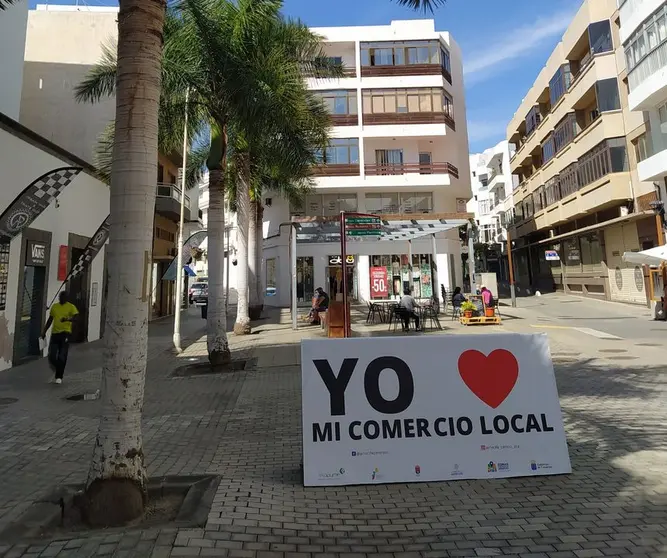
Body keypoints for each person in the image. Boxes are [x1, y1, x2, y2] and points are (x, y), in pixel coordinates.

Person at [41, 291, 79, 384]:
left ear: (67, 298)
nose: (62, 299)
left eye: (64, 297)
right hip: (55, 333)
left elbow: (76, 318)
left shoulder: (71, 307)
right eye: (61, 297)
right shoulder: (54, 307)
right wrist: (44, 331)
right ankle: (58, 368)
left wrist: (67, 319)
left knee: (62, 355)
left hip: (65, 333)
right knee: (52, 355)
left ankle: (59, 376)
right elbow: (50, 320)